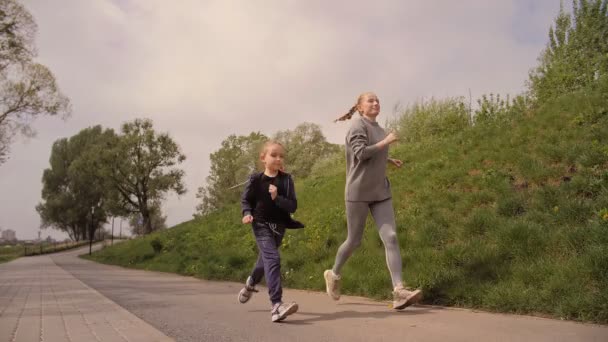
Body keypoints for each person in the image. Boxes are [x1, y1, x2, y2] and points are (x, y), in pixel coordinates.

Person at [323, 92, 422, 310]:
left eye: (377, 100)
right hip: (358, 192)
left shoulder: (379, 128)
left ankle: (399, 291)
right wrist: (386, 142)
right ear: (360, 107)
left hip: (380, 191)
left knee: (392, 237)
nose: (376, 103)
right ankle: (334, 273)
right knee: (354, 241)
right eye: (370, 100)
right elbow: (360, 153)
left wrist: (388, 158)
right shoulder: (357, 126)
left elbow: (374, 151)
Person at [238, 140, 304, 322]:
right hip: (260, 224)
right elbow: (246, 200)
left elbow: (292, 206)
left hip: (279, 227)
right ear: (263, 158)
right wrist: (247, 213)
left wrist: (277, 198)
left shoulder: (286, 180)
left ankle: (251, 283)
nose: (278, 158)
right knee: (273, 258)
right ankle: (276, 305)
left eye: (281, 156)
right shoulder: (256, 179)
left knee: (264, 260)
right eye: (273, 155)